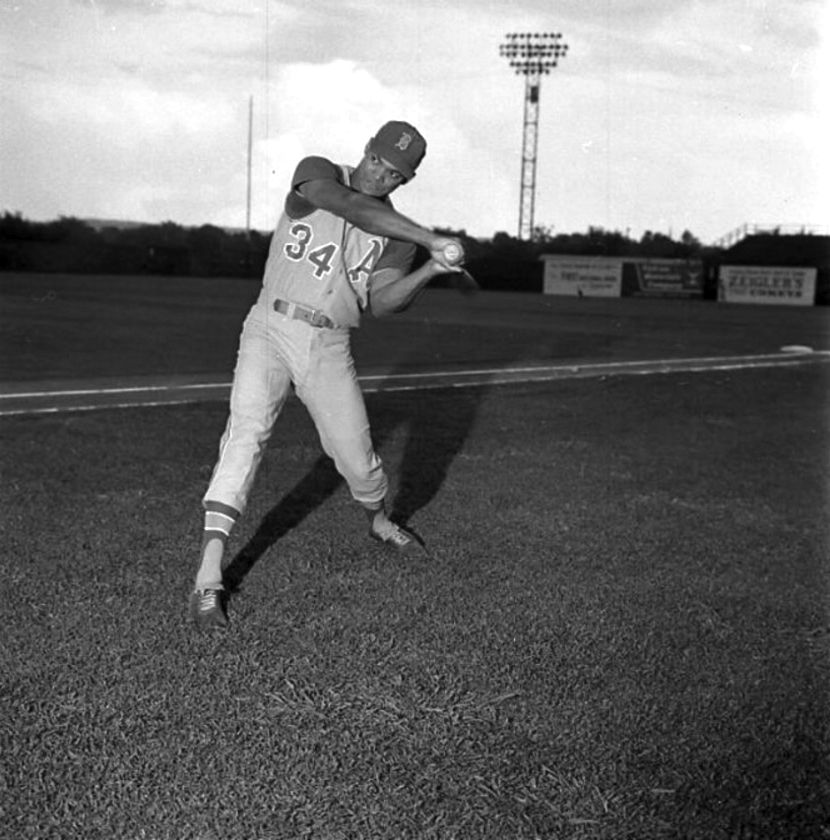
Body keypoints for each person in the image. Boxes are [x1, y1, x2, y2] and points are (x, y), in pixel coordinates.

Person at [189, 120, 465, 630]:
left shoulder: (397, 239)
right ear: (366, 148)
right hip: (269, 328)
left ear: (406, 181)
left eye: (395, 173)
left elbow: (383, 303)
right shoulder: (319, 172)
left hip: (329, 344)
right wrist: (430, 236)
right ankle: (208, 577)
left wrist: (429, 269)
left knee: (358, 459)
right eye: (378, 159)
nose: (380, 174)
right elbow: (349, 206)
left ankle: (378, 520)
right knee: (246, 433)